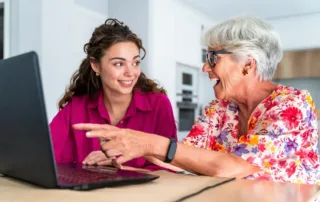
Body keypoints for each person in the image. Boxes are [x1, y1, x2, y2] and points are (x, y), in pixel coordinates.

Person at [74, 16, 320, 184]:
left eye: (213, 58)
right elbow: (181, 160)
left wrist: (148, 143)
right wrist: (124, 157)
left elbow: (231, 166)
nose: (205, 67)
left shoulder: (292, 105)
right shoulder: (219, 109)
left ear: (247, 63)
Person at [50, 18, 177, 171]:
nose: (130, 73)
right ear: (96, 65)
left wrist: (119, 167)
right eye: (118, 63)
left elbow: (170, 170)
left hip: (144, 195)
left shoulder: (159, 105)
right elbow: (43, 154)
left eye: (135, 63)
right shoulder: (76, 108)